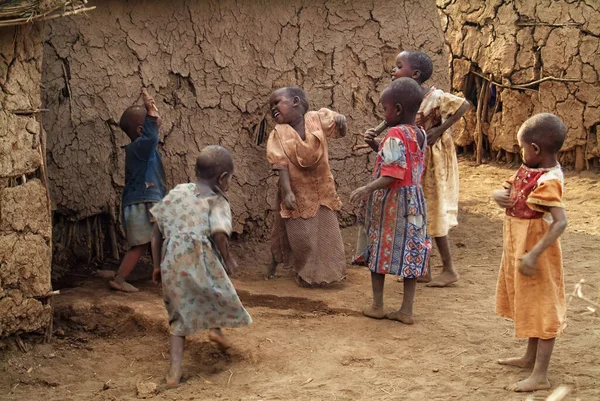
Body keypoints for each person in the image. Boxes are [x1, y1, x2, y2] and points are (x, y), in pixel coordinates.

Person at [150, 145, 252, 387]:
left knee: (178, 318)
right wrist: (227, 259)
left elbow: (155, 233)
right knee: (214, 292)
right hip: (201, 260)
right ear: (223, 178)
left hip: (171, 262)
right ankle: (216, 330)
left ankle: (174, 373)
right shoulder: (217, 201)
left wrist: (156, 266)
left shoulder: (177, 192)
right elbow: (219, 232)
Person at [492, 113, 568, 393]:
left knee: (544, 309)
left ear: (535, 149)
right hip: (520, 247)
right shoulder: (530, 168)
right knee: (532, 305)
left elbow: (560, 221)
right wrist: (497, 196)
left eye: (523, 147)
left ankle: (541, 375)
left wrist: (535, 253)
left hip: (537, 253)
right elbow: (512, 189)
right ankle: (529, 358)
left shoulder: (550, 180)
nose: (521, 153)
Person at [350, 77, 431, 324]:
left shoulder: (395, 133)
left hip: (393, 203)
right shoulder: (420, 133)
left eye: (385, 108)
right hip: (415, 201)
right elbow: (402, 162)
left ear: (396, 109)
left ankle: (377, 305)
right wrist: (376, 144)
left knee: (378, 251)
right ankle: (406, 310)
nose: (383, 114)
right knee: (412, 251)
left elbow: (393, 172)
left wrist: (367, 187)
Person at [392, 50, 470, 287]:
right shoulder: (407, 98)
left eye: (398, 66)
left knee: (432, 212)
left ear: (415, 74)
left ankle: (449, 269)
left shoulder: (435, 97)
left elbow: (464, 105)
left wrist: (440, 129)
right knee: (420, 212)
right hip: (418, 163)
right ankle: (423, 268)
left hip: (435, 164)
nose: (393, 70)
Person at [266, 86, 347, 287]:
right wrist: (287, 192)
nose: (273, 108)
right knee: (302, 236)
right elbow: (281, 164)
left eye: (277, 102)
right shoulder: (279, 132)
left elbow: (338, 129)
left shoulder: (316, 118)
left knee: (327, 233)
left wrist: (341, 122)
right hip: (296, 191)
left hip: (322, 189)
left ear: (295, 101)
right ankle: (306, 273)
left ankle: (330, 273)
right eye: (271, 106)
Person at [109, 89, 166, 292]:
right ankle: (119, 279)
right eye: (151, 120)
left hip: (141, 202)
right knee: (141, 245)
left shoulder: (139, 150)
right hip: (144, 204)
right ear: (142, 131)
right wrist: (150, 109)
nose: (156, 117)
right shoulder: (142, 147)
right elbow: (151, 136)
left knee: (154, 241)